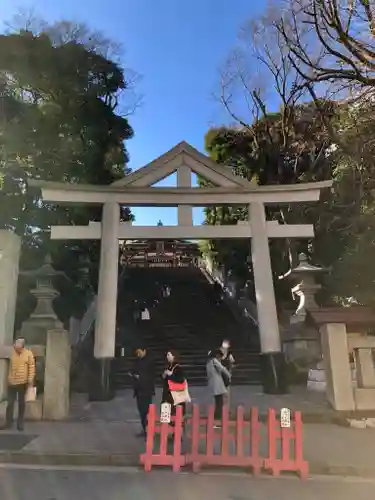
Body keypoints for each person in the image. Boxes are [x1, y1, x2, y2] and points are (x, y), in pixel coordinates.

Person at [2, 338, 36, 431]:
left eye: (18, 346)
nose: (16, 348)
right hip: (12, 382)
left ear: (22, 346)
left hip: (23, 382)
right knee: (10, 403)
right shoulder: (12, 354)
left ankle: (20, 422)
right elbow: (10, 367)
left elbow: (31, 367)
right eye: (15, 346)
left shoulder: (28, 354)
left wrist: (30, 380)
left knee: (21, 403)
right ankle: (8, 422)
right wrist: (9, 378)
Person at [129, 346, 155, 437]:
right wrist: (133, 374)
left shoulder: (149, 361)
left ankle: (149, 431)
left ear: (144, 350)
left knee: (147, 411)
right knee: (141, 411)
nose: (138, 354)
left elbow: (150, 375)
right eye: (137, 353)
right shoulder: (137, 361)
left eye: (139, 352)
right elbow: (133, 370)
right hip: (139, 391)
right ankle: (144, 430)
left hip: (147, 391)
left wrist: (139, 377)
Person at [161, 350, 189, 419]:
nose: (167, 357)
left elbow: (180, 380)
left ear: (174, 356)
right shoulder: (168, 367)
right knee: (167, 416)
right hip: (168, 395)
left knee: (175, 415)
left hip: (175, 396)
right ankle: (166, 426)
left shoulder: (178, 368)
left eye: (169, 355)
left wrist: (170, 375)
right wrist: (164, 376)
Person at [206, 349, 231, 426]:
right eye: (219, 356)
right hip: (218, 385)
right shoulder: (214, 361)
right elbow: (222, 368)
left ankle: (216, 419)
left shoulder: (208, 363)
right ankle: (217, 419)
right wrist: (229, 375)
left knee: (218, 402)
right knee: (220, 403)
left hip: (213, 385)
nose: (220, 358)